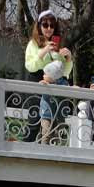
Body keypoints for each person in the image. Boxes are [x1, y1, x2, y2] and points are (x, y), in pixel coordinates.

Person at [22, 10, 73, 143]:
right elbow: (30, 66)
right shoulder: (33, 44)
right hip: (37, 81)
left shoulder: (58, 44)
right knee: (34, 121)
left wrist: (68, 59)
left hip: (54, 83)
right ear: (39, 26)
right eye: (45, 25)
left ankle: (49, 154)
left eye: (52, 25)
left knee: (54, 121)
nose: (49, 28)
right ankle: (25, 151)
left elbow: (65, 71)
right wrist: (43, 51)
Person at [38, 61, 69, 144]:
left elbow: (67, 90)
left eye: (45, 74)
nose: (43, 75)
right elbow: (39, 86)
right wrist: (43, 85)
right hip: (47, 114)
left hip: (59, 115)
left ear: (53, 76)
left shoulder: (63, 83)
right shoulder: (44, 83)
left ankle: (56, 152)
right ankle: (43, 150)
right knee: (46, 133)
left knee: (58, 134)